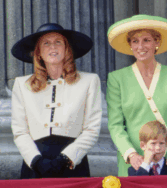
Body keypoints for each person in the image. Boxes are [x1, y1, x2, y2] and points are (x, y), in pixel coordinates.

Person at [11, 23, 102, 178]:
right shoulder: (22, 84)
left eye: (58, 42)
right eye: (46, 43)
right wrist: (35, 161)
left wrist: (66, 158)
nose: (52, 47)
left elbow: (92, 129)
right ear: (38, 52)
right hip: (35, 164)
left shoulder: (89, 81)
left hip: (73, 163)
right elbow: (20, 131)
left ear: (67, 50)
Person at [106, 14, 167, 176]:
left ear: (157, 43)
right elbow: (115, 125)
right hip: (133, 164)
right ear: (130, 45)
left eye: (146, 40)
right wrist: (130, 154)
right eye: (135, 41)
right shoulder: (117, 79)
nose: (141, 46)